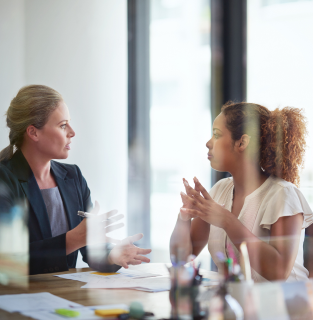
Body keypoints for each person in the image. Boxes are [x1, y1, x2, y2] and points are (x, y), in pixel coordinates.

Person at [0, 85, 151, 275]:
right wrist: (73, 239)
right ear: (33, 133)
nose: (72, 132)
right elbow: (7, 261)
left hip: (66, 296)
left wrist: (112, 254)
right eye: (63, 125)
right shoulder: (4, 179)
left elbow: (90, 248)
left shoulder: (73, 177)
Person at [170, 102, 313, 282]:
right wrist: (184, 217)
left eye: (216, 135)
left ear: (242, 142)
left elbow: (279, 272)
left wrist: (227, 220)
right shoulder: (220, 190)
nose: (208, 143)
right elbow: (181, 258)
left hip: (284, 307)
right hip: (238, 305)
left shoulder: (283, 195)